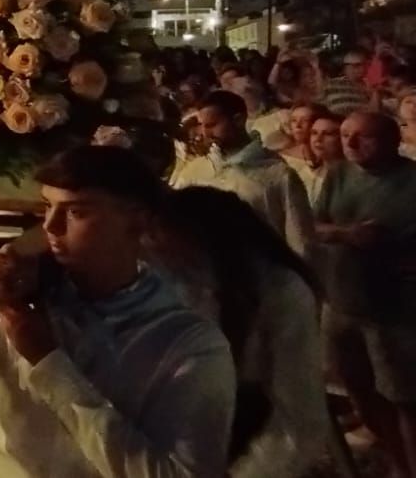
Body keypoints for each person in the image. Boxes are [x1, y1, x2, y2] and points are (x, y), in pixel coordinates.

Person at [0, 145, 236, 478]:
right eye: (47, 206)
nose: (51, 225)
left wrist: (48, 361)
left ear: (137, 221)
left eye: (76, 212)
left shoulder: (188, 339)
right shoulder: (26, 297)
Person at [152, 186, 331, 478]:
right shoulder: (175, 279)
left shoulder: (279, 291)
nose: (153, 245)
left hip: (247, 439)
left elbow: (300, 417)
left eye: (166, 237)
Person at [315, 111, 416, 475]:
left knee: (404, 398)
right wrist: (347, 235)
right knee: (359, 390)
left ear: (391, 141)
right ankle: (396, 458)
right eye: (345, 135)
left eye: (363, 137)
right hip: (341, 303)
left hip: (394, 313)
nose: (351, 144)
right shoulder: (338, 173)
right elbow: (315, 224)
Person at [172, 90, 315, 258]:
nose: (205, 133)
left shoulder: (278, 175)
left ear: (238, 120)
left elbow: (300, 243)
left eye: (212, 125)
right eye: (202, 125)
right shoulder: (195, 171)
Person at [320, 47, 376, 116]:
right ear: (345, 67)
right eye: (355, 65)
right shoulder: (332, 84)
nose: (361, 69)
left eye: (362, 65)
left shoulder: (373, 87)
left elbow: (375, 114)